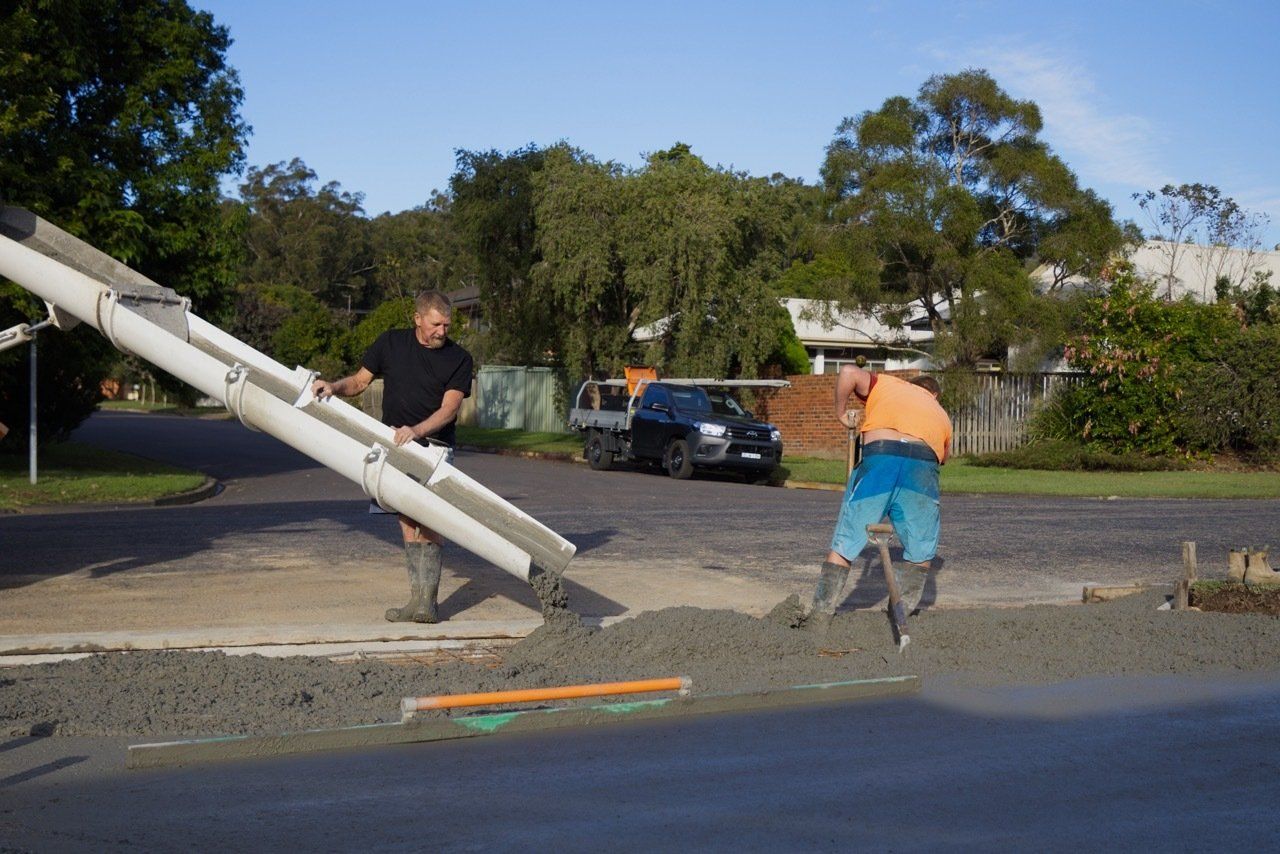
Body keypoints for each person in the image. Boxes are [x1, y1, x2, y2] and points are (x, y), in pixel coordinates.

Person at [311, 290, 473, 624]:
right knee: (406, 520)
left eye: (446, 324)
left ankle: (429, 603)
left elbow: (449, 409)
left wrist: (417, 430)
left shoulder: (460, 358)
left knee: (429, 521)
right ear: (417, 319)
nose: (442, 331)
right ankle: (415, 601)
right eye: (435, 324)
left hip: (435, 449)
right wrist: (333, 387)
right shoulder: (390, 343)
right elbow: (358, 381)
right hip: (394, 445)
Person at [809, 366, 952, 629]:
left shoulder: (887, 384)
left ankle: (819, 617)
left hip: (881, 455)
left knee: (846, 543)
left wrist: (841, 413)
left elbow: (849, 372)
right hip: (922, 464)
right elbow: (942, 458)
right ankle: (899, 618)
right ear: (934, 394)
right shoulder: (940, 413)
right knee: (921, 550)